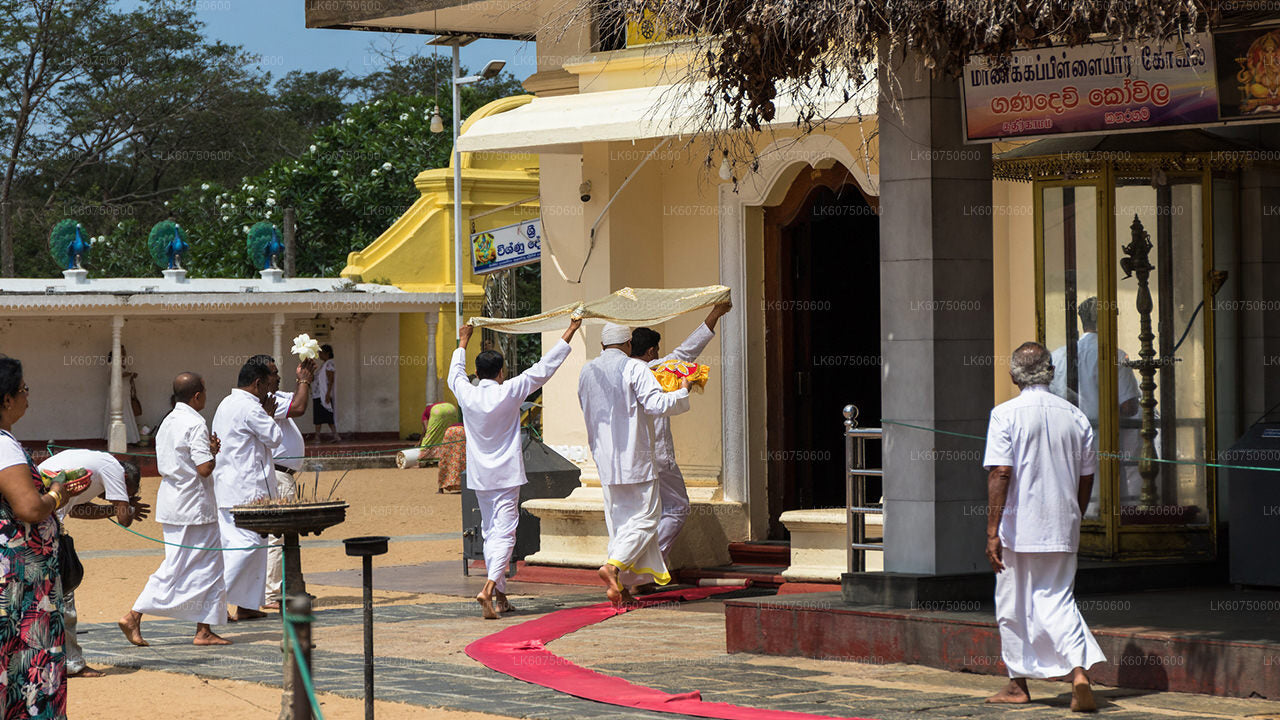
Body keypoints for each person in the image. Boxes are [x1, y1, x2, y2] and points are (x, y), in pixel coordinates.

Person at [982, 342, 1106, 713]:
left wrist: (992, 531)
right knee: (1058, 600)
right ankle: (1072, 674)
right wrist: (1074, 515)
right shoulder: (1076, 416)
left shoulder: (1004, 414)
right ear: (1050, 373)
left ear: (1013, 375)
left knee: (1012, 604)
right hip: (1062, 525)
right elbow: (1087, 477)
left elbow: (1001, 472)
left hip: (1019, 528)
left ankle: (1022, 684)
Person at [449, 318, 581, 618]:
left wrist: (463, 340)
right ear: (500, 372)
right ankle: (488, 588)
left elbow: (455, 372)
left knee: (490, 532)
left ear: (477, 373)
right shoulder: (509, 390)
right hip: (506, 475)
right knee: (505, 534)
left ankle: (501, 596)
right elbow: (544, 368)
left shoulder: (466, 392)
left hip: (481, 476)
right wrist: (571, 330)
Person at [579, 322, 695, 605]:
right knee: (646, 519)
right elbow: (657, 405)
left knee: (620, 526)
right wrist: (683, 391)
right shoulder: (635, 368)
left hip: (605, 461)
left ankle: (623, 587)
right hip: (636, 459)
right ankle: (613, 568)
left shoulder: (587, 371)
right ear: (628, 345)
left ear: (603, 345)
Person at [0, 356, 91, 717]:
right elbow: (28, 507)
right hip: (20, 581)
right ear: (6, 399)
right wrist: (56, 494)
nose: (28, 397)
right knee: (27, 663)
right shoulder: (3, 445)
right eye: (23, 390)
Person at [120, 372, 232, 647]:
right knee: (187, 565)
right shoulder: (195, 423)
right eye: (204, 392)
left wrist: (208, 451)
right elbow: (204, 468)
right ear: (197, 396)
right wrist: (212, 453)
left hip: (173, 502)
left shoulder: (168, 420)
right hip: (194, 506)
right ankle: (135, 614)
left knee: (203, 565)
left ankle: (204, 628)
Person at [629, 301, 731, 561]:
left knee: (641, 513)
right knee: (676, 508)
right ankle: (650, 563)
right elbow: (690, 348)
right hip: (658, 456)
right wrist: (716, 313)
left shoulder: (619, 373)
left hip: (629, 458)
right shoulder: (660, 368)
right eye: (657, 349)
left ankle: (630, 563)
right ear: (651, 351)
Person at [37, 449, 146, 677]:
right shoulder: (113, 468)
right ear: (125, 479)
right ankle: (72, 664)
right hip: (44, 527)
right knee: (64, 593)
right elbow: (124, 519)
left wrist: (117, 507)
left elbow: (78, 511)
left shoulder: (96, 464)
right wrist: (126, 507)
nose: (111, 497)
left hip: (38, 520)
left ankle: (58, 659)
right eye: (127, 492)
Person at [1049, 296, 1147, 513]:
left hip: (1064, 440)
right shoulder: (1115, 355)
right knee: (1103, 502)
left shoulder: (1057, 356)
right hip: (1103, 442)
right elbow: (1129, 407)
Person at [212, 360, 283, 622]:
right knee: (247, 547)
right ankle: (215, 602)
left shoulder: (226, 403)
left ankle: (246, 604)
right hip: (245, 491)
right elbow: (275, 437)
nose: (274, 385)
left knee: (255, 546)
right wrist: (268, 415)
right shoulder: (250, 407)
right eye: (270, 380)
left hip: (231, 487)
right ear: (258, 383)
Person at [247, 354, 314, 612]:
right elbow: (299, 407)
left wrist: (303, 379)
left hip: (283, 474)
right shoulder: (266, 402)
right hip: (278, 473)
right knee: (276, 535)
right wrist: (304, 381)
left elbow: (296, 399)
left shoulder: (277, 396)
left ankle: (280, 587)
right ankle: (271, 593)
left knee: (282, 534)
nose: (278, 378)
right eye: (273, 375)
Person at [103, 346, 141, 445]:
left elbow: (127, 375)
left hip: (125, 390)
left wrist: (132, 376)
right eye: (122, 352)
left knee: (127, 412)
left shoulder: (126, 364)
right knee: (117, 413)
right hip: (116, 392)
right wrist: (127, 374)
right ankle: (114, 438)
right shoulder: (112, 364)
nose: (124, 353)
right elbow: (113, 376)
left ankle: (130, 438)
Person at [310, 344, 341, 443]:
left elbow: (331, 380)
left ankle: (321, 437)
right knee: (319, 417)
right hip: (318, 395)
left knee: (327, 417)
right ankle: (327, 436)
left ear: (327, 353)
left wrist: (327, 394)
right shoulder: (324, 365)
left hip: (323, 395)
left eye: (321, 353)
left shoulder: (329, 364)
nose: (319, 355)